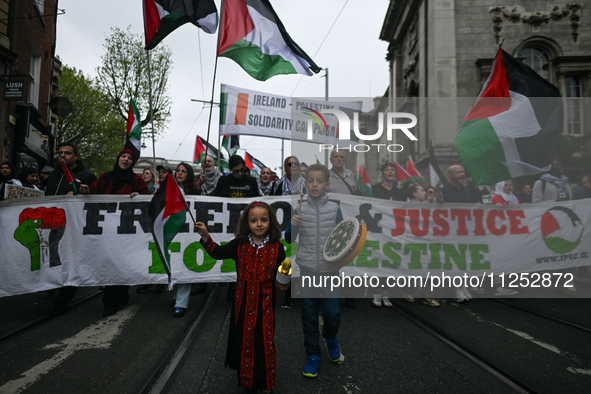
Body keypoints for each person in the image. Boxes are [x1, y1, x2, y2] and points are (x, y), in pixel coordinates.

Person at [195, 201, 287, 394]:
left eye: (264, 220)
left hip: (266, 305)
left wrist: (284, 282)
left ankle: (265, 382)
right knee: (245, 340)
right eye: (254, 220)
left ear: (271, 222)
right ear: (247, 223)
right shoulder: (239, 244)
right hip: (243, 304)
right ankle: (248, 381)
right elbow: (218, 253)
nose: (259, 224)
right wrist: (205, 236)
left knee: (265, 342)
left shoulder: (278, 248)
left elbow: (282, 275)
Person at [284, 164, 345, 378]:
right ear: (305, 183)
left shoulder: (335, 208)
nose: (315, 184)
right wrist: (293, 225)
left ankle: (330, 338)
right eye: (311, 181)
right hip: (308, 270)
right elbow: (289, 239)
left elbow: (343, 239)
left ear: (327, 184)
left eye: (319, 181)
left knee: (333, 313)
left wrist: (342, 259)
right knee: (309, 316)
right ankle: (313, 355)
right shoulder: (300, 208)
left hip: (330, 272)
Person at [79, 149, 149, 317]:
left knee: (121, 263)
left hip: (126, 231)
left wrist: (140, 197)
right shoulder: (104, 177)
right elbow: (93, 193)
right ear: (118, 159)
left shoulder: (137, 181)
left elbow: (147, 201)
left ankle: (110, 302)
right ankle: (118, 296)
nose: (126, 159)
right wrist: (86, 191)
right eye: (124, 156)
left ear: (132, 163)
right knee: (110, 263)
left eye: (130, 158)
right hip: (106, 230)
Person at [214, 155, 262, 301]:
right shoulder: (223, 181)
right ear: (230, 170)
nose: (240, 174)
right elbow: (214, 200)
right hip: (227, 225)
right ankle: (231, 284)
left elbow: (257, 201)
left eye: (243, 170)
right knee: (230, 253)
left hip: (246, 227)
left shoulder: (251, 181)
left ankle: (240, 285)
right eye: (236, 171)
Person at [436, 165, 473, 302]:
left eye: (463, 171)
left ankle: (463, 285)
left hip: (465, 230)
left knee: (464, 260)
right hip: (450, 231)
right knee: (454, 260)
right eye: (459, 172)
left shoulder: (467, 190)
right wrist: (437, 191)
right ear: (450, 176)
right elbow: (438, 203)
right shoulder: (444, 190)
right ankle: (457, 290)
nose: (463, 174)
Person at [171, 163, 201, 315]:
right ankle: (176, 296)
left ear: (188, 174)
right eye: (178, 171)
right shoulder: (168, 190)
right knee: (173, 263)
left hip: (188, 233)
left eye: (183, 171)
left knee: (185, 264)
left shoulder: (196, 191)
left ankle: (181, 303)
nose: (180, 173)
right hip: (173, 231)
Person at [403, 184, 440, 307]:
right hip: (413, 241)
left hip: (427, 240)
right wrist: (426, 204)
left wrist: (438, 190)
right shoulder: (409, 205)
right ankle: (408, 290)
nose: (425, 192)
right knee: (414, 266)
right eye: (422, 190)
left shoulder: (428, 203)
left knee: (428, 267)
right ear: (415, 194)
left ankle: (428, 295)